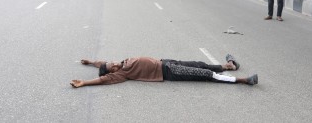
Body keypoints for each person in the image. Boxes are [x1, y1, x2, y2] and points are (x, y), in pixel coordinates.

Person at [70, 54, 258, 88]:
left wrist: (89, 62)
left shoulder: (118, 63)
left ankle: (229, 66)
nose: (113, 63)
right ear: (111, 71)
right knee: (205, 75)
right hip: (168, 72)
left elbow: (101, 63)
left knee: (199, 64)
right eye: (111, 66)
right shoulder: (120, 74)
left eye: (111, 63)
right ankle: (243, 80)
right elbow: (103, 79)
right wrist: (85, 82)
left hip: (166, 61)